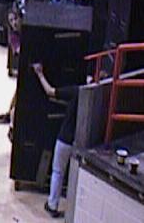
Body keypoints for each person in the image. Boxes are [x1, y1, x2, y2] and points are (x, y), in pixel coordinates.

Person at [32, 63, 81, 218]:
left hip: (65, 138)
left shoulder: (77, 90)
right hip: (80, 142)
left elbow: (50, 91)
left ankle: (52, 205)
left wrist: (40, 74)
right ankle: (74, 210)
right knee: (75, 177)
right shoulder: (98, 97)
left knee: (58, 172)